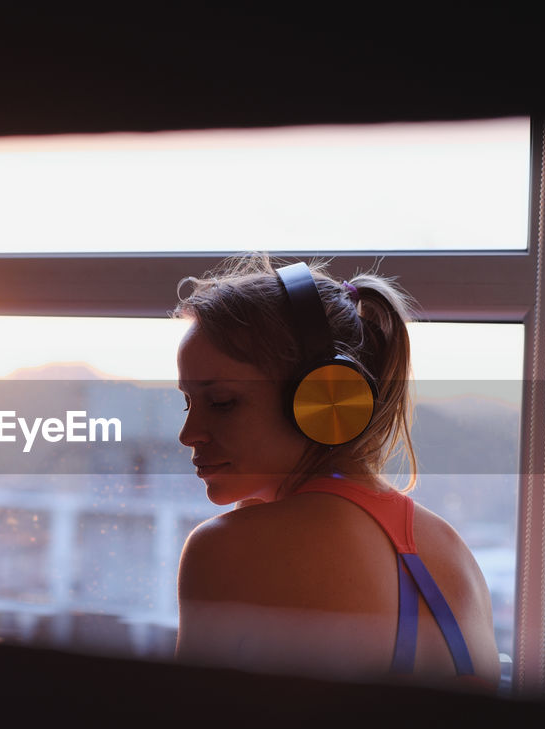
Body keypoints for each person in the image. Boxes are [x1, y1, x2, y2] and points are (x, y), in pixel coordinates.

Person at [171, 253, 501, 690]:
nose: (188, 434)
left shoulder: (227, 548)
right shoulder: (452, 553)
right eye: (188, 402)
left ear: (321, 399)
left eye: (223, 403)